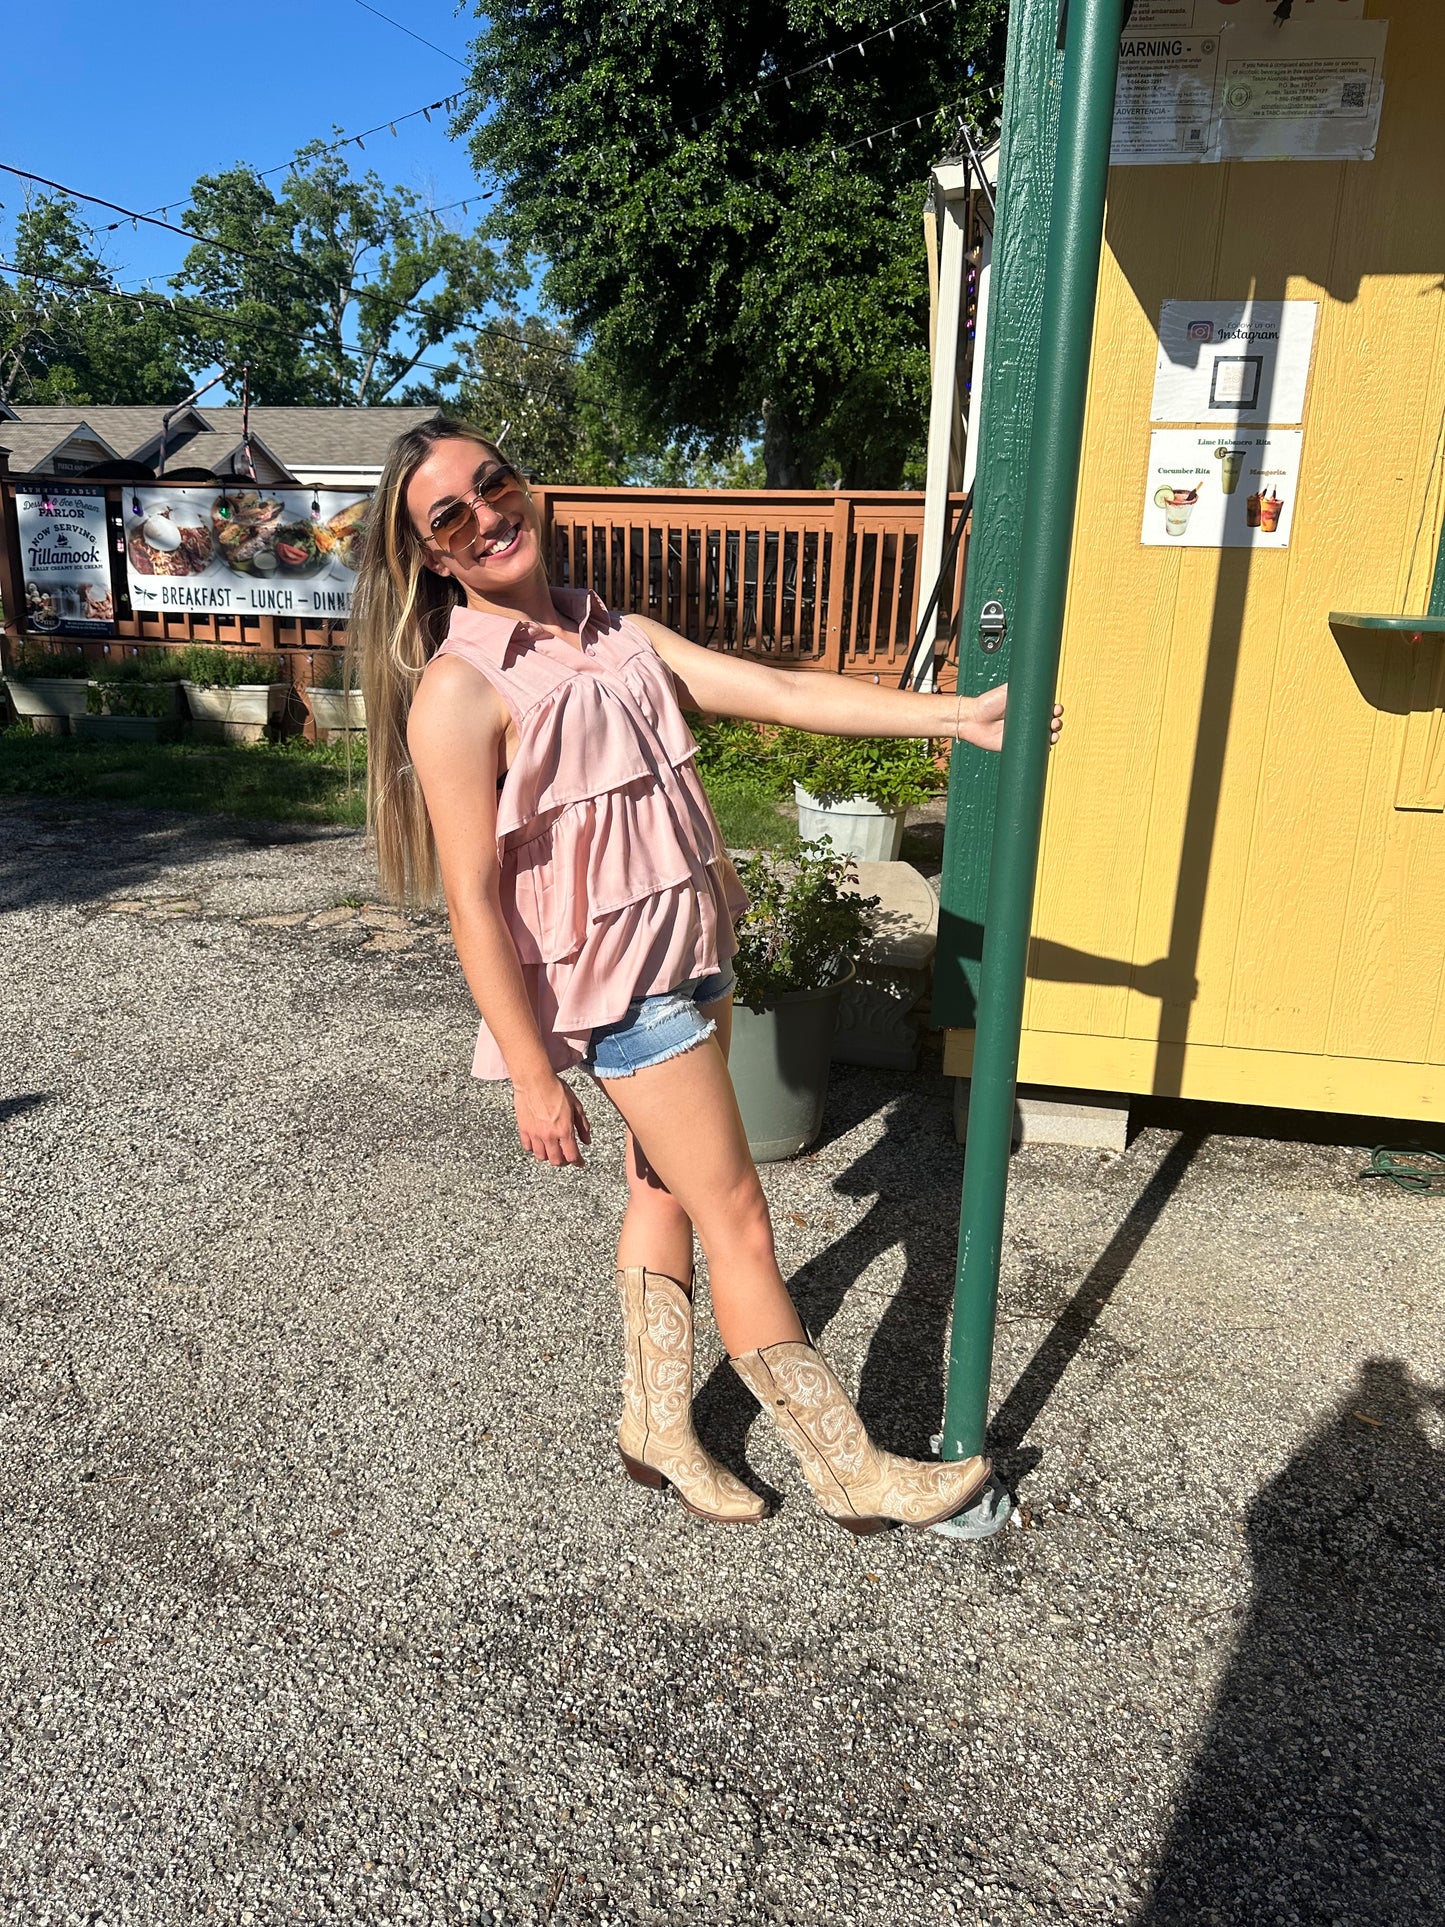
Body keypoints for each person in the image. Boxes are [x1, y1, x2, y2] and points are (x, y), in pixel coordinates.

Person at [352, 417, 1063, 1538]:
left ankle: (654, 1427)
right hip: (620, 997)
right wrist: (534, 1074)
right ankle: (851, 1474)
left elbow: (776, 692)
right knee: (737, 1215)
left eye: (494, 486)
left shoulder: (613, 630)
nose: (488, 517)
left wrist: (950, 717)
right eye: (452, 516)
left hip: (695, 955)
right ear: (431, 557)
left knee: (663, 1191)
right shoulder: (459, 688)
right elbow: (474, 906)